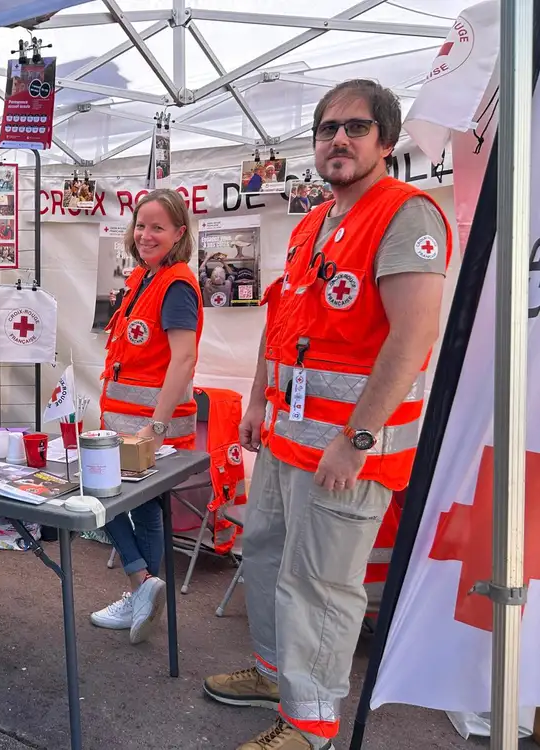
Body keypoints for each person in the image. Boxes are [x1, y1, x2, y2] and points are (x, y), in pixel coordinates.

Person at [202, 79, 451, 750]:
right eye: (327, 129)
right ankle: (275, 674)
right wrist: (257, 401)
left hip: (347, 454)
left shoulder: (407, 214)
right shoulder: (315, 222)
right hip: (288, 441)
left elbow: (413, 337)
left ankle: (310, 726)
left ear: (386, 141)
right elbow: (281, 326)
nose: (338, 139)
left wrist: (358, 438)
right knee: (263, 554)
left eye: (356, 127)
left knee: (321, 587)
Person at [90, 189, 203, 644]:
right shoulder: (144, 277)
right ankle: (144, 590)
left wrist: (155, 428)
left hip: (148, 427)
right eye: (141, 225)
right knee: (145, 508)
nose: (146, 234)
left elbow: (183, 360)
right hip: (127, 423)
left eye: (158, 227)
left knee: (101, 495)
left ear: (178, 234)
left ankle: (139, 582)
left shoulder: (175, 285)